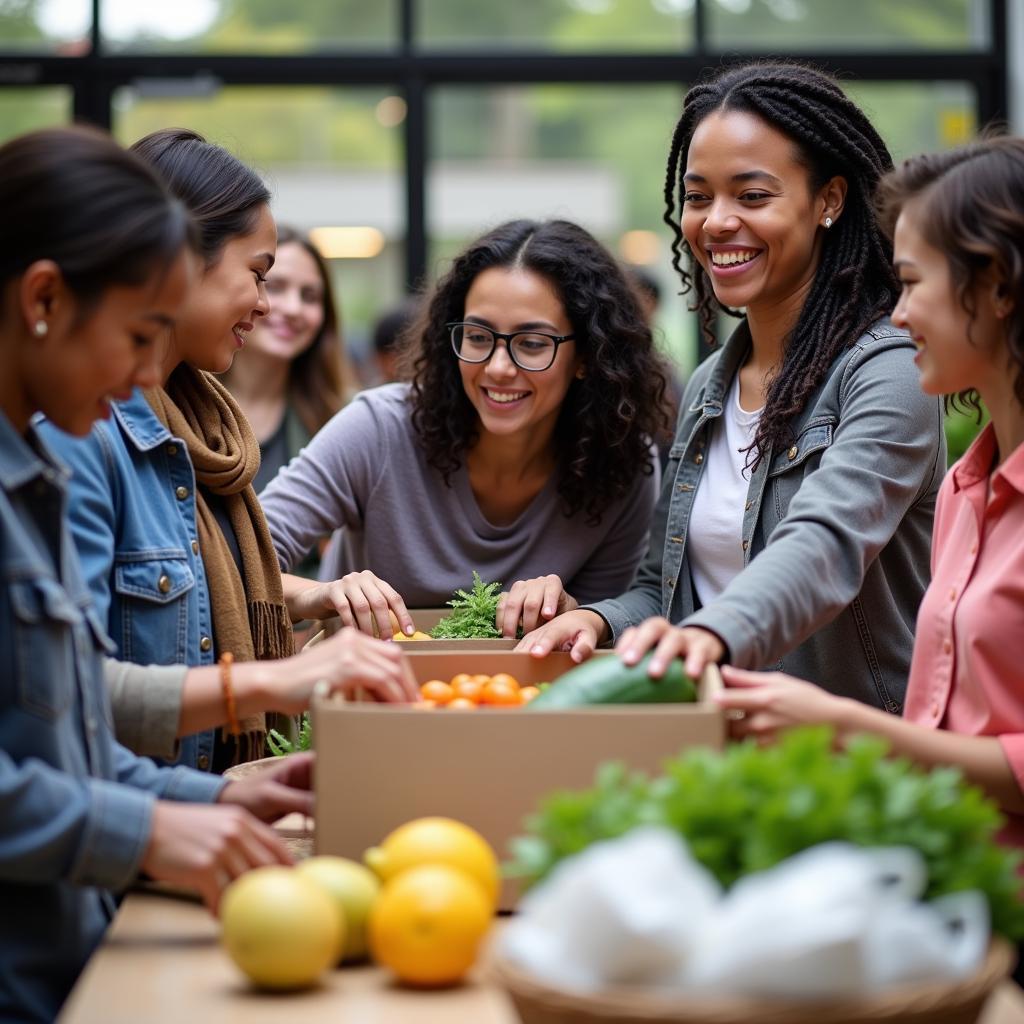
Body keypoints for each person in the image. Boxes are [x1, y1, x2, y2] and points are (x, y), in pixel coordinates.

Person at [0, 125, 320, 1023]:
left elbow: (64, 741)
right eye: (140, 335)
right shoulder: (74, 451)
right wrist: (150, 826)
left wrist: (214, 795)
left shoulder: (36, 470)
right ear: (44, 299)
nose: (150, 374)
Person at [521, 62, 945, 713]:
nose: (716, 222)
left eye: (752, 196)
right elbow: (665, 590)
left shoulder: (889, 369)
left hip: (850, 761)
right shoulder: (711, 385)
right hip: (716, 748)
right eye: (697, 197)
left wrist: (705, 638)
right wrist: (602, 620)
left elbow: (823, 546)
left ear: (828, 200)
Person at [715, 135, 1024, 968]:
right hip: (959, 912)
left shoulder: (877, 382)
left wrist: (845, 727)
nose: (896, 313)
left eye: (914, 283)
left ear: (996, 287)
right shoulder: (970, 486)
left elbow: (821, 539)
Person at [41, 130, 416, 774]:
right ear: (179, 261)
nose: (268, 305)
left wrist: (306, 598)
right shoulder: (83, 434)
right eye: (259, 274)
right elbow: (62, 698)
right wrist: (263, 690)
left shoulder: (204, 428)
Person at [259, 218, 670, 639]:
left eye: (531, 344)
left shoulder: (621, 461)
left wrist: (580, 612)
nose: (497, 367)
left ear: (587, 356)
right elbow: (239, 559)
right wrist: (318, 595)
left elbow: (618, 615)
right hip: (363, 694)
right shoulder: (379, 428)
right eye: (477, 336)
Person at [223, 225, 349, 579]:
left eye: (310, 296)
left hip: (310, 629)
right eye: (275, 287)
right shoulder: (184, 408)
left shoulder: (341, 418)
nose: (293, 308)